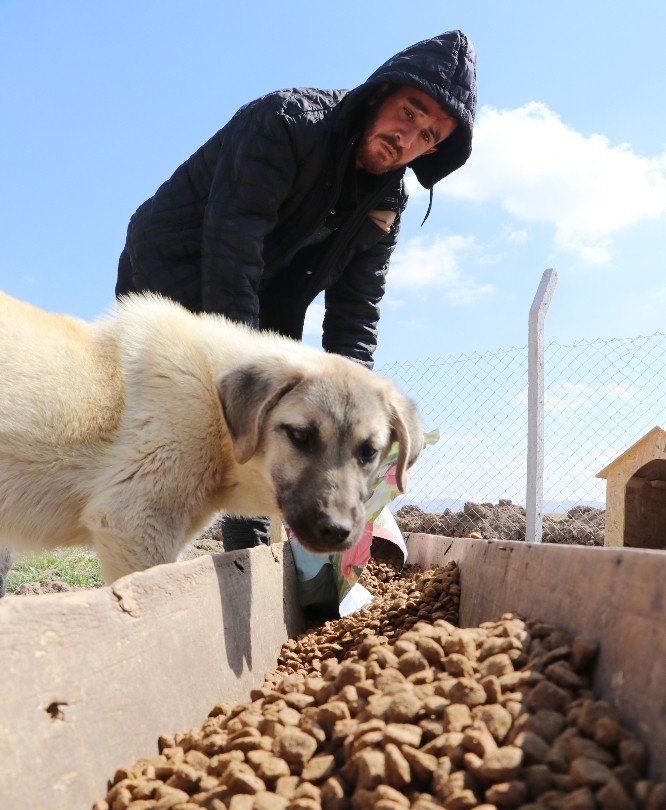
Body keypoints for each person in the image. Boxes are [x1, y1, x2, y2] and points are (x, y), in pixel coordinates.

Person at [115, 30, 477, 550]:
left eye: (428, 137)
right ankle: (122, 525)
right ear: (379, 96)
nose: (408, 138)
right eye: (409, 112)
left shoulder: (386, 203)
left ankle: (251, 555)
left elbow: (356, 311)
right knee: (179, 426)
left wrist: (361, 402)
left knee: (279, 415)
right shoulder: (286, 124)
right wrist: (246, 361)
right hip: (174, 268)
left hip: (270, 295)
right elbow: (231, 246)